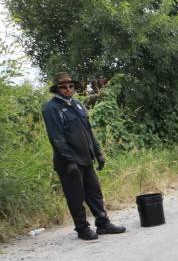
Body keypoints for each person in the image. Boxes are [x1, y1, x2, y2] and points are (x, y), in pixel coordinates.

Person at [41, 73, 125, 241]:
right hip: (69, 162)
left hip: (86, 158)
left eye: (70, 86)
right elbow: (56, 138)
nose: (68, 89)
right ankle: (82, 229)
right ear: (56, 89)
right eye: (63, 87)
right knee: (75, 196)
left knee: (94, 192)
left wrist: (98, 153)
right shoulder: (51, 108)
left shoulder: (77, 105)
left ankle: (103, 224)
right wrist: (69, 160)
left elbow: (88, 131)